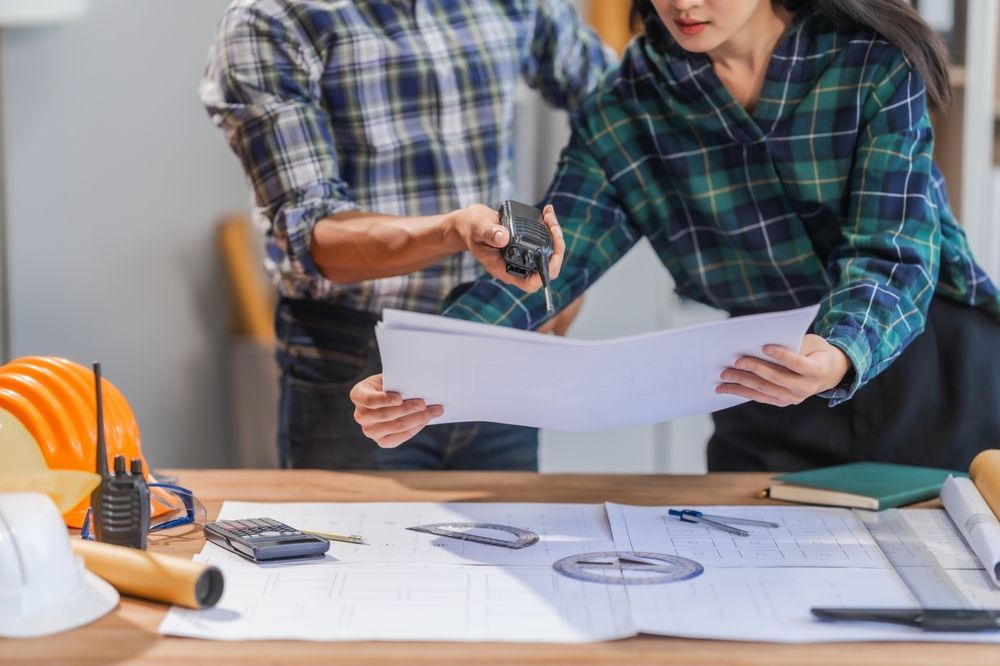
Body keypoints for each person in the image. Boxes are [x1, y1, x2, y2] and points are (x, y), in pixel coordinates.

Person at [351, 0, 1000, 472]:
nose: (682, 4)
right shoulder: (629, 104)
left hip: (926, 366)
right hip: (765, 376)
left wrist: (836, 352)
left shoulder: (870, 65)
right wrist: (416, 369)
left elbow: (894, 253)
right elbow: (548, 268)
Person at [201, 1, 614, 470]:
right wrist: (453, 230)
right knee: (356, 542)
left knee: (511, 540)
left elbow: (622, 116)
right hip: (356, 357)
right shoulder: (271, 20)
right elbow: (313, 237)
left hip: (498, 337)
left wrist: (573, 265)